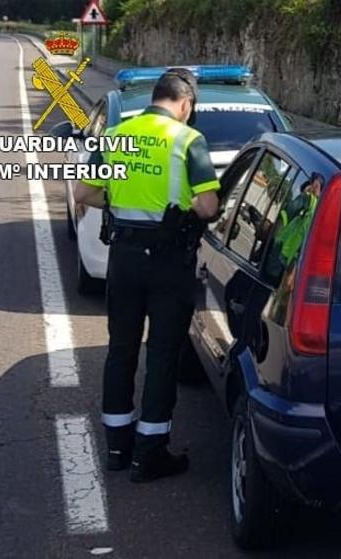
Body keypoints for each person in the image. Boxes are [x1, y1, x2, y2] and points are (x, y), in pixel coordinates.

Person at [74, 68, 219, 482]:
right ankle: (149, 454)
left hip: (123, 256)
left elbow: (85, 194)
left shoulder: (117, 135)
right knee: (161, 353)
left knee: (121, 349)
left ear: (153, 98)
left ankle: (116, 449)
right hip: (169, 261)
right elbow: (208, 207)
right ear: (186, 104)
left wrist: (123, 202)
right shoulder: (188, 140)